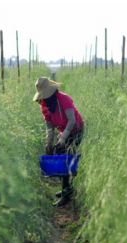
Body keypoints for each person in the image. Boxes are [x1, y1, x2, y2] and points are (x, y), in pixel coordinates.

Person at [33, 77, 84, 207]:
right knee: (58, 154)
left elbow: (71, 121)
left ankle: (67, 194)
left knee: (66, 159)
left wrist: (62, 138)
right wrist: (48, 142)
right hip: (64, 131)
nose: (43, 99)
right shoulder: (44, 106)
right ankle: (67, 188)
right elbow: (49, 127)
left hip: (76, 130)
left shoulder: (64, 99)